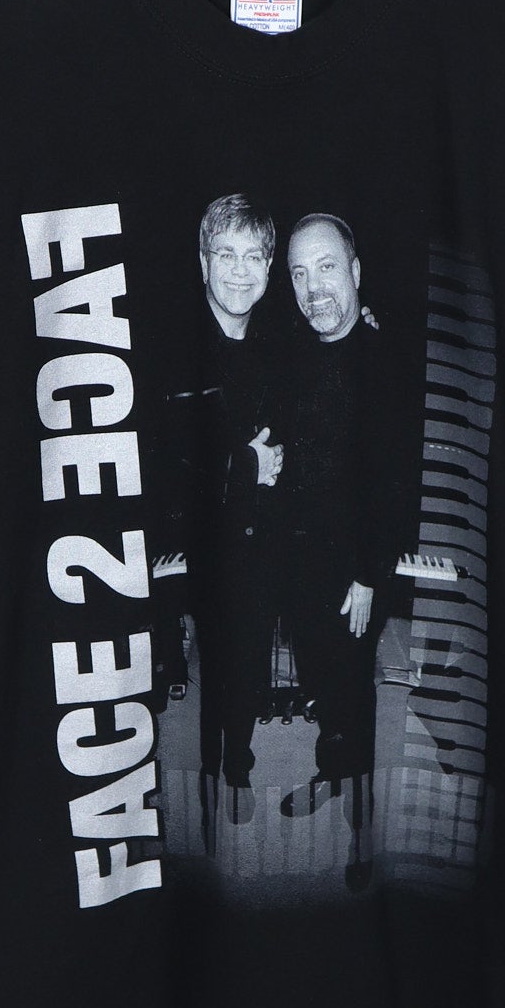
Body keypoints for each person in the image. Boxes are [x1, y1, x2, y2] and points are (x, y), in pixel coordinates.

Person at [276, 212, 405, 831]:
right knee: (323, 682)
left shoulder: (384, 361)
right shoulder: (295, 354)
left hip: (355, 570)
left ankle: (362, 829)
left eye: (326, 267)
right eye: (300, 273)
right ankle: (332, 769)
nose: (314, 288)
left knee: (354, 687)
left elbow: (392, 481)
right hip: (301, 561)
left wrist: (369, 575)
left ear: (355, 271)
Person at [183, 194, 284, 801]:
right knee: (215, 664)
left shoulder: (275, 345)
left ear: (269, 267)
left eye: (253, 256)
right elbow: (176, 467)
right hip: (202, 545)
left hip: (260, 541)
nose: (240, 271)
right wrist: (249, 464)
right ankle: (207, 773)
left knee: (247, 663)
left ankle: (238, 768)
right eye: (226, 254)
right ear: (204, 261)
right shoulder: (178, 346)